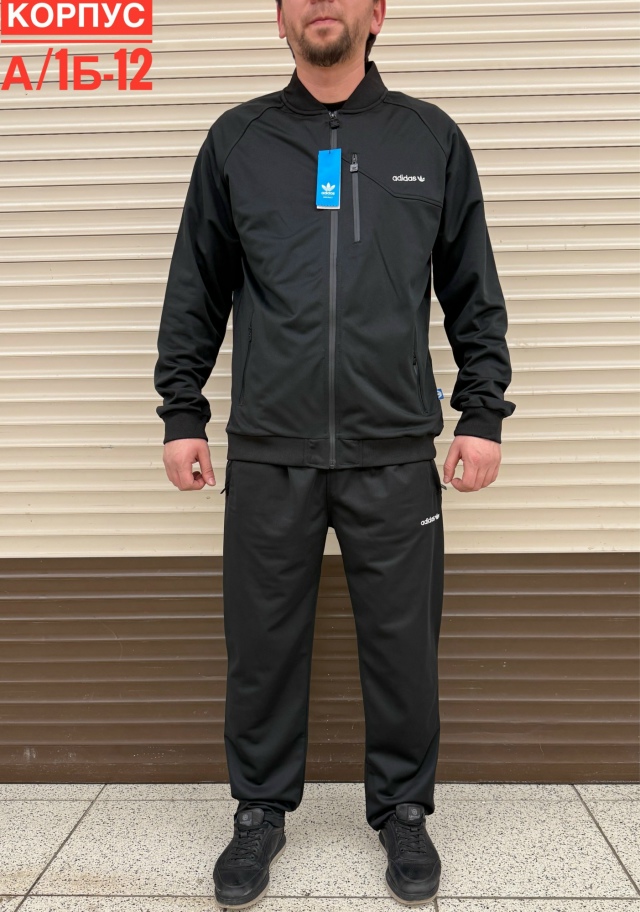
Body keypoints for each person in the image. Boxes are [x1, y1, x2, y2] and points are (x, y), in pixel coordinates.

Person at [153, 0, 516, 907]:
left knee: (403, 646)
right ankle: (260, 811)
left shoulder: (429, 138)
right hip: (270, 446)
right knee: (262, 645)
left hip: (392, 446)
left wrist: (482, 413)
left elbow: (472, 286)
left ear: (377, 12)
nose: (322, 3)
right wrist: (182, 411)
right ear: (279, 20)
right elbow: (196, 286)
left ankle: (403, 810)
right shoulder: (237, 142)